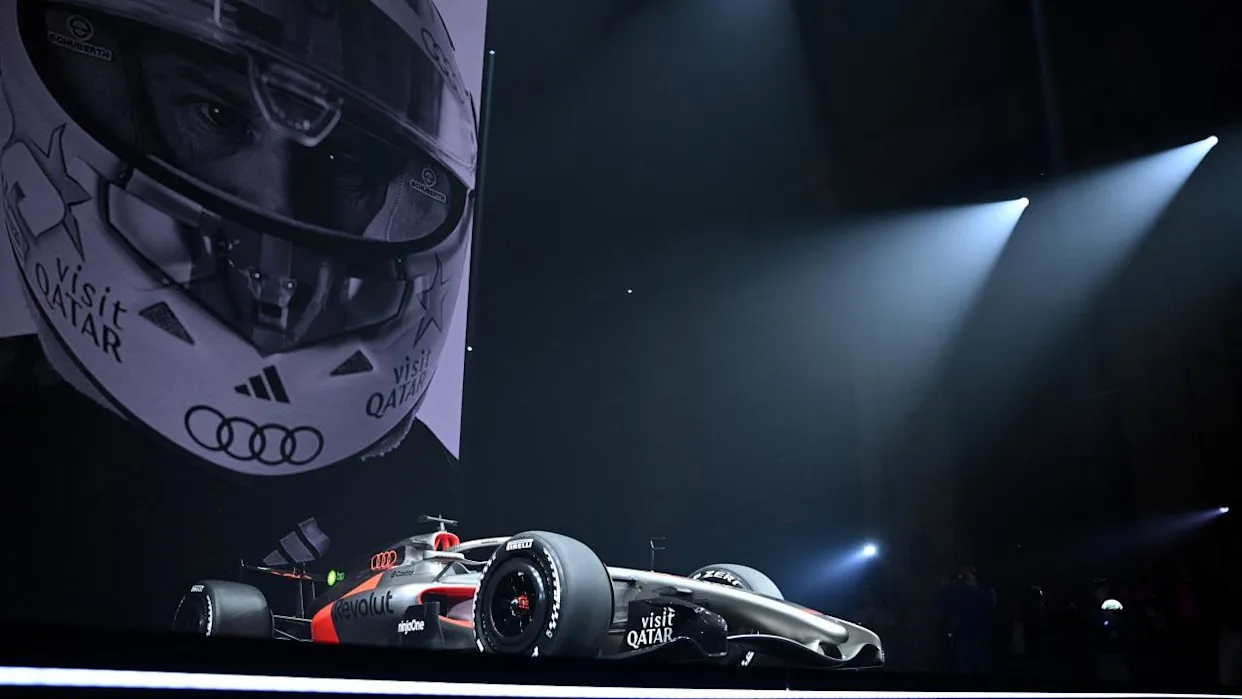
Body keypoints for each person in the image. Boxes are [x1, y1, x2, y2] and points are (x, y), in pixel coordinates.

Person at [0, 0, 482, 632]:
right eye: (218, 116)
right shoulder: (20, 433)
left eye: (341, 161)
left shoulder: (418, 488)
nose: (276, 204)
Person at [938, 565, 997, 675]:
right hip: (966, 641)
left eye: (964, 576)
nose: (961, 578)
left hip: (971, 640)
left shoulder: (971, 594)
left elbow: (989, 602)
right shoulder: (962, 593)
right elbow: (990, 600)